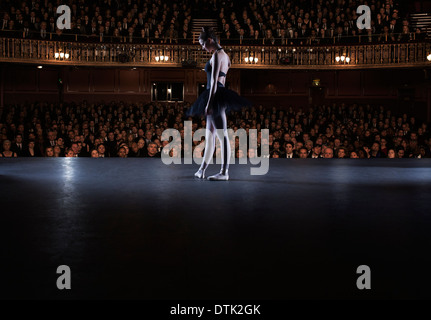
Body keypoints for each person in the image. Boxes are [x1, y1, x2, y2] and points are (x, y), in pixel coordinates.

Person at [186, 27, 251, 181]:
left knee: (221, 136)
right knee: (211, 137)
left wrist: (209, 103)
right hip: (217, 94)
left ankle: (224, 172)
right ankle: (202, 170)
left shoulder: (216, 55)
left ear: (210, 40)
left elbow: (215, 81)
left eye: (202, 44)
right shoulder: (226, 56)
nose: (202, 47)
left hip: (215, 95)